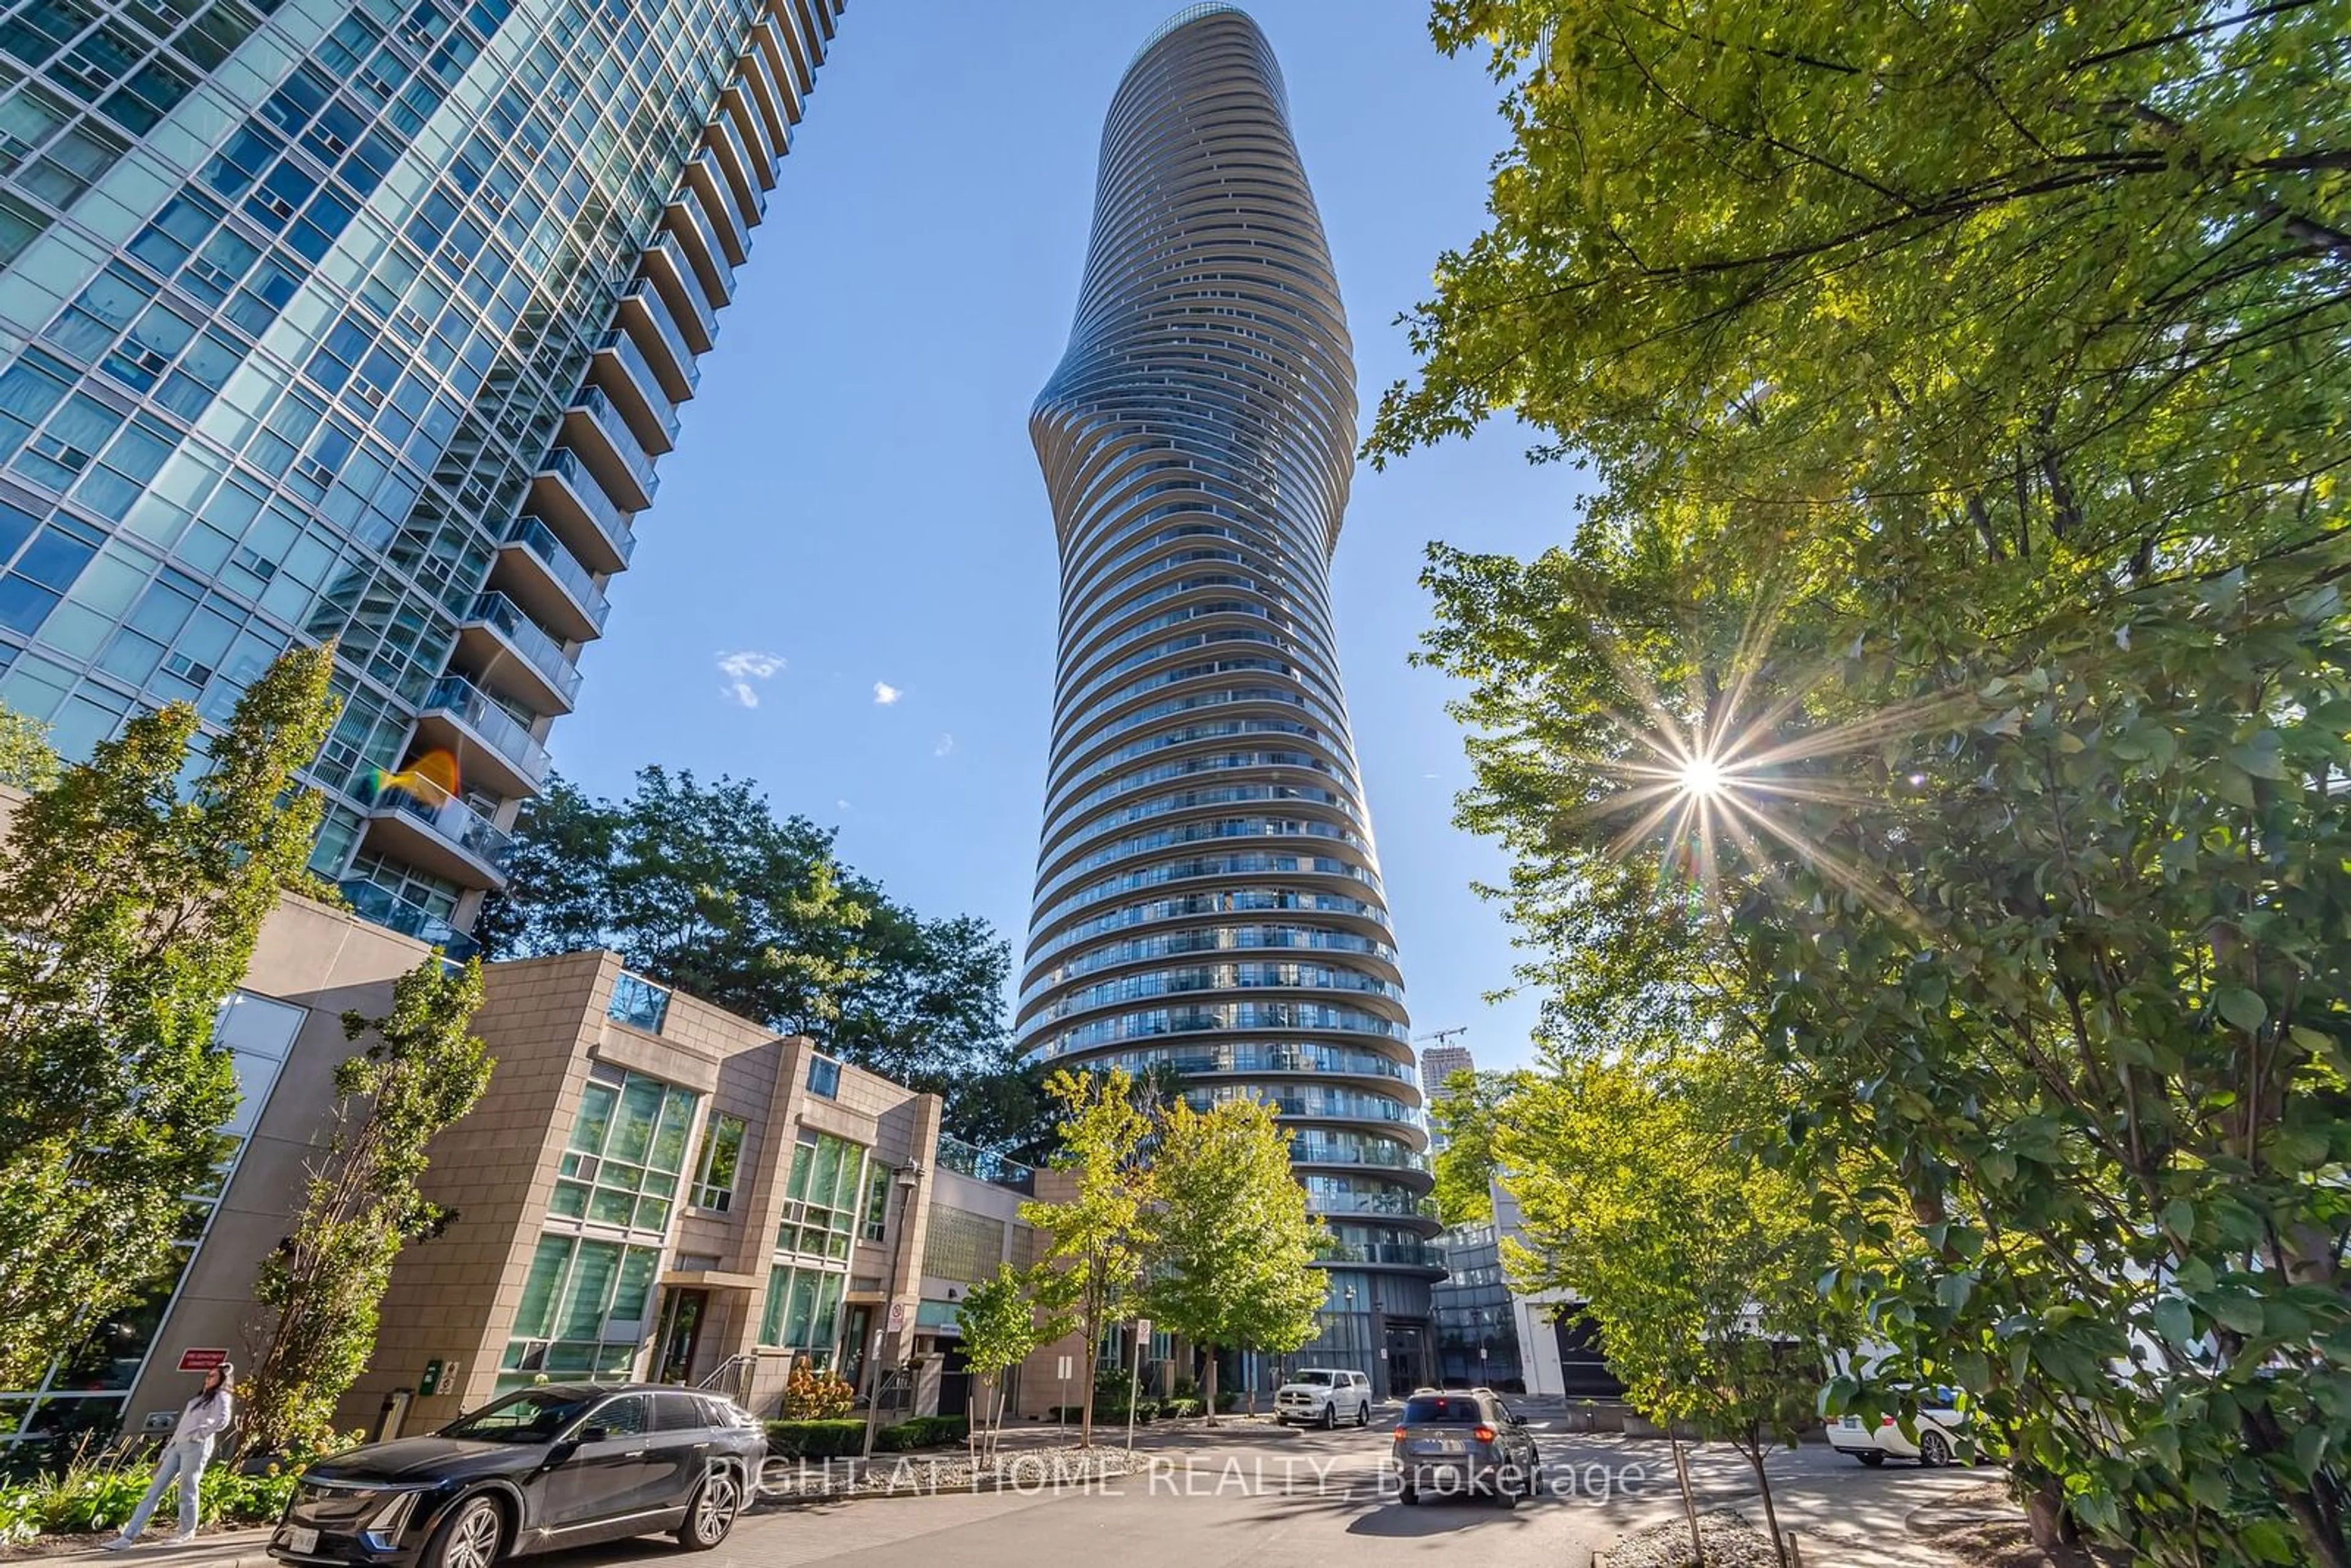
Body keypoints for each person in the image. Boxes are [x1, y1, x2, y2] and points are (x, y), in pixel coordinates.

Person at [105, 1364, 235, 1550]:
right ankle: (128, 1536)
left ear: (222, 1380)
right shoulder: (199, 1399)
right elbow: (182, 1427)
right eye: (208, 1375)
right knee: (154, 1490)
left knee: (187, 1488)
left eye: (213, 1376)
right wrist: (167, 1450)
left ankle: (186, 1531)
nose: (208, 1379)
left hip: (196, 1447)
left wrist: (198, 1435)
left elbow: (222, 1421)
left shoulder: (221, 1397)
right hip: (178, 1446)